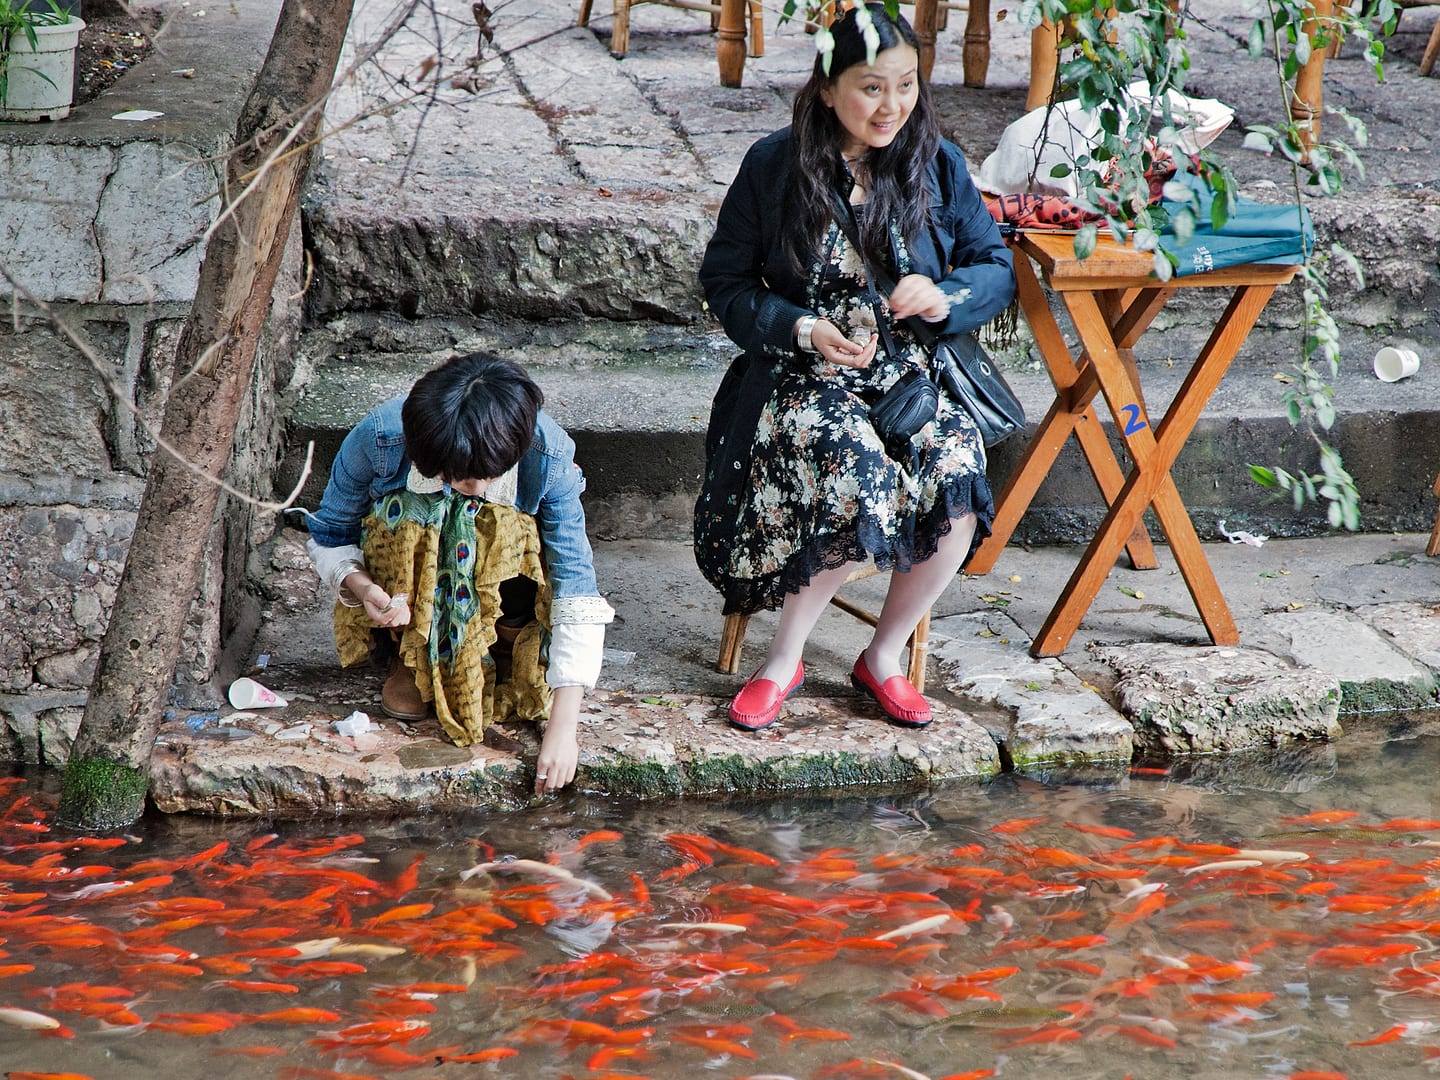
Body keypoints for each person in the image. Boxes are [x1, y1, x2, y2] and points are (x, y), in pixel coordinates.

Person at [695, 2, 1015, 732]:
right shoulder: (774, 166)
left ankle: (883, 655)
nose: (893, 106)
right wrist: (803, 327)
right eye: (873, 87)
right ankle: (784, 660)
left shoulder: (935, 162)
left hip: (906, 374)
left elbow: (994, 268)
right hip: (800, 376)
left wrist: (944, 297)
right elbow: (727, 284)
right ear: (830, 87)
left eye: (905, 86)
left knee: (957, 468)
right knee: (856, 470)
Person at [303, 352, 614, 795]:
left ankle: (506, 643)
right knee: (411, 512)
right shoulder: (379, 437)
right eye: (461, 476)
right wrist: (363, 586)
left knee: (501, 523)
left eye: (489, 475)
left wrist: (564, 729)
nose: (477, 488)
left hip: (504, 587)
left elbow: (575, 582)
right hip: (412, 604)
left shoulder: (551, 454)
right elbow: (329, 531)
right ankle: (411, 656)